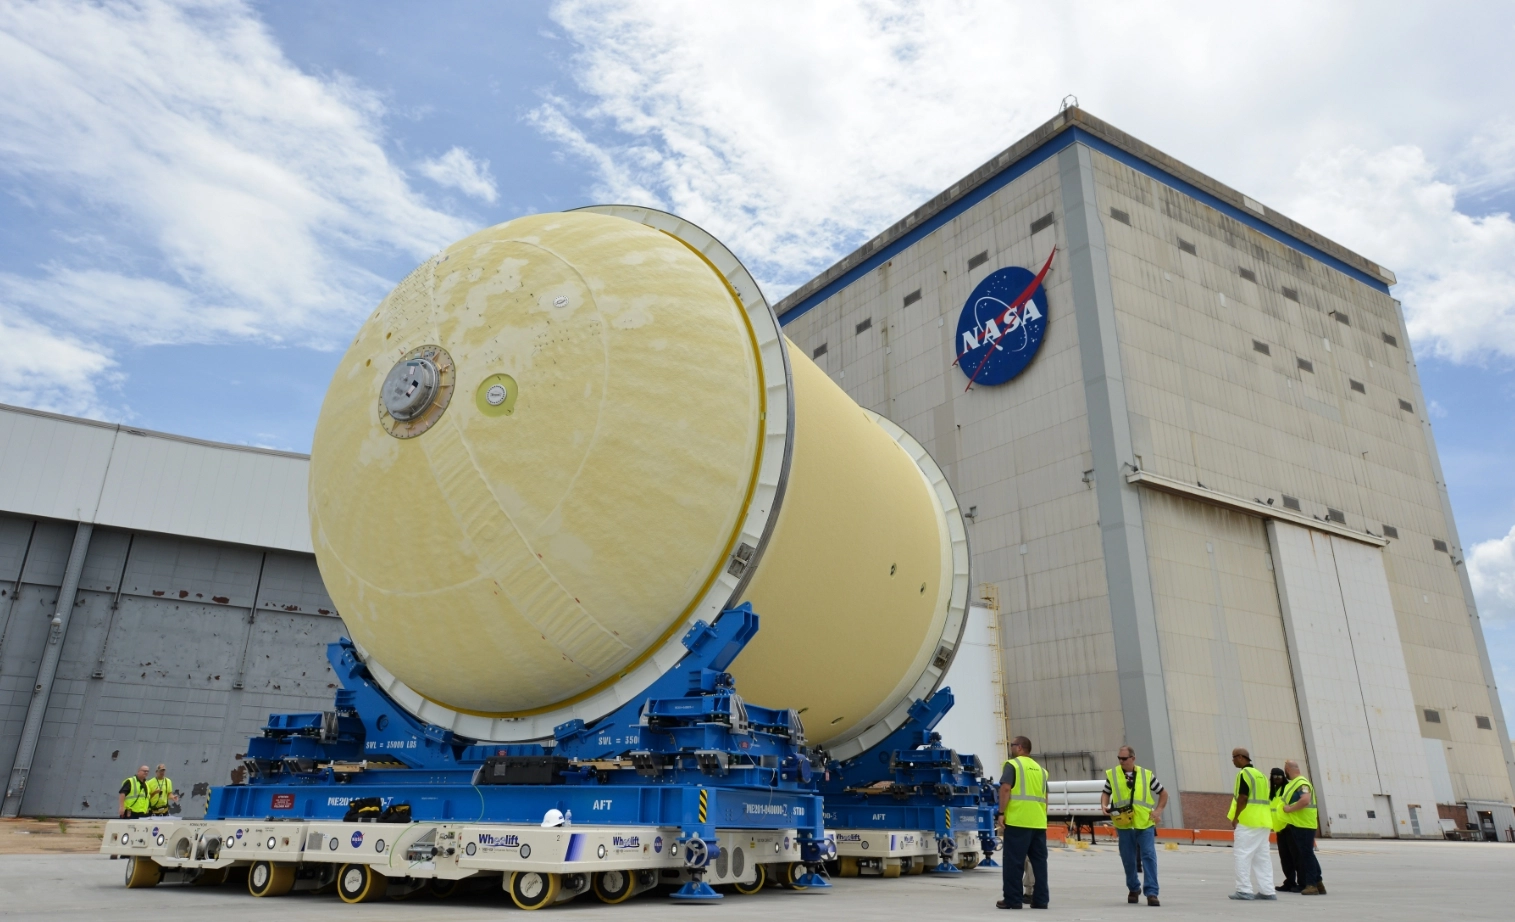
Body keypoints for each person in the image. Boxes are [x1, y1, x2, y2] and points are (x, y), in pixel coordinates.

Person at [1101, 745, 1168, 906]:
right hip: (1123, 824)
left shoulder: (1146, 775)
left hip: (1144, 823)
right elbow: (1106, 792)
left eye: (1124, 758)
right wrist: (1104, 805)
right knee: (1128, 858)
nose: (1121, 761)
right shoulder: (1113, 775)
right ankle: (1133, 888)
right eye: (1119, 758)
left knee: (1149, 856)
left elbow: (1163, 793)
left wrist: (1158, 811)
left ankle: (1152, 892)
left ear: (1133, 758)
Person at [996, 736, 1048, 910]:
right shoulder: (1041, 770)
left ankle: (1013, 900)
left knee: (1014, 862)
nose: (1010, 748)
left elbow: (1005, 788)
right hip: (1039, 822)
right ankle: (1041, 900)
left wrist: (1001, 813)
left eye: (1012, 745)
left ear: (1019, 748)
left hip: (1019, 821)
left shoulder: (1013, 765)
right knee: (1039, 863)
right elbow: (1046, 797)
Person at [1226, 748, 1277, 900]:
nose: (1233, 761)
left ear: (1241, 757)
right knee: (1262, 858)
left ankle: (1244, 890)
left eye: (1234, 758)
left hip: (1248, 820)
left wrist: (1236, 817)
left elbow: (1242, 797)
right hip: (1263, 821)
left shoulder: (1244, 774)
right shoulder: (1260, 775)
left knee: (1242, 854)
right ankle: (1267, 890)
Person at [1282, 760, 1325, 895]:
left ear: (1288, 769)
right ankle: (1318, 882)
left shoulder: (1302, 783)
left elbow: (1305, 800)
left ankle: (1311, 885)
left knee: (1306, 855)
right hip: (1299, 824)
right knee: (1307, 854)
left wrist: (1290, 809)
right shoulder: (1295, 784)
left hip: (1304, 824)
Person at [1268, 768, 1297, 892]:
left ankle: (1302, 882)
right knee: (1285, 857)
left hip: (1289, 827)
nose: (1277, 779)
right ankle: (1290, 882)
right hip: (1279, 829)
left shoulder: (1287, 789)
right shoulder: (1273, 792)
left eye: (1279, 776)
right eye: (1274, 777)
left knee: (1296, 856)